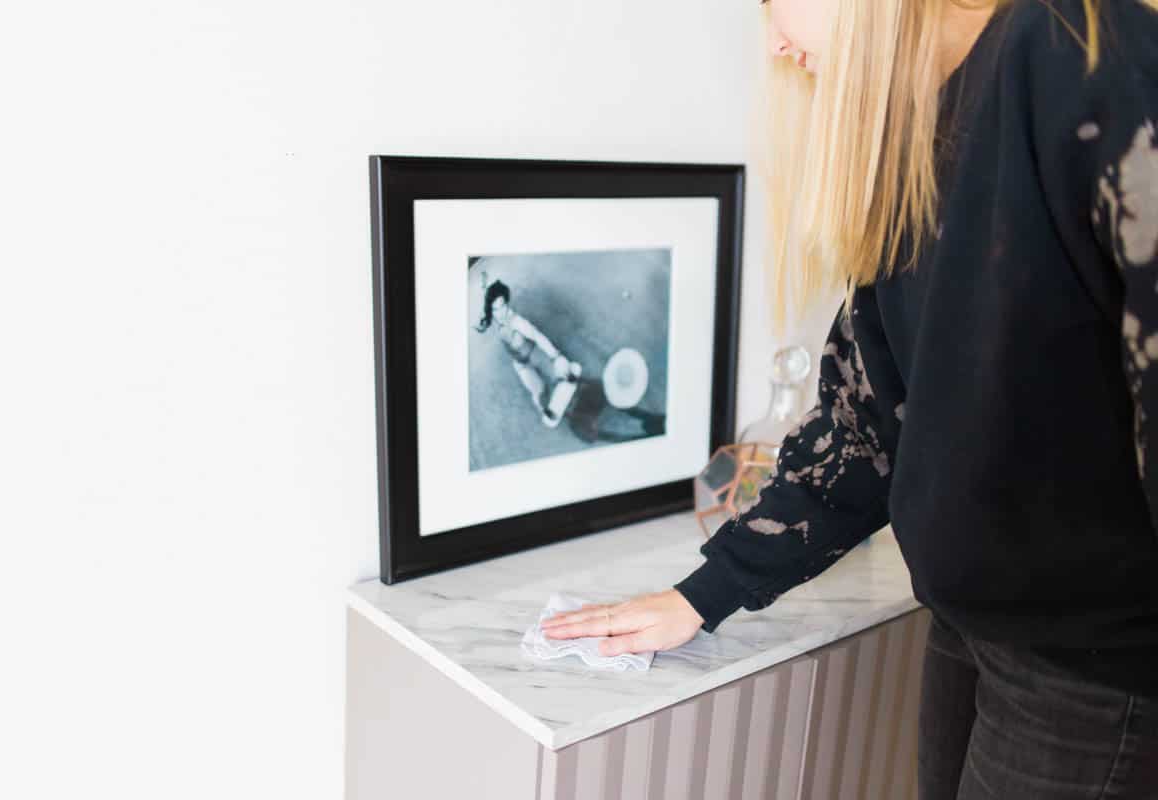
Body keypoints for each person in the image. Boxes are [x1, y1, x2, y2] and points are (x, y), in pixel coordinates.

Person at [539, 1, 1158, 797]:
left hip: (1093, 663)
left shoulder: (1088, 62)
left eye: (772, 5)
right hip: (973, 629)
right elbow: (866, 420)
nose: (771, 39)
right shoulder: (916, 133)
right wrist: (706, 592)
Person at [475, 279, 582, 427]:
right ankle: (545, 408)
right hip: (520, 363)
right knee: (537, 389)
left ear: (507, 303)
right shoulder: (494, 318)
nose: (500, 313)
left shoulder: (516, 321)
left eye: (503, 306)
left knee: (554, 373)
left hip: (534, 354)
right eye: (496, 309)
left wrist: (554, 354)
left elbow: (537, 336)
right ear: (491, 310)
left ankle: (565, 372)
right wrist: (486, 287)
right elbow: (488, 301)